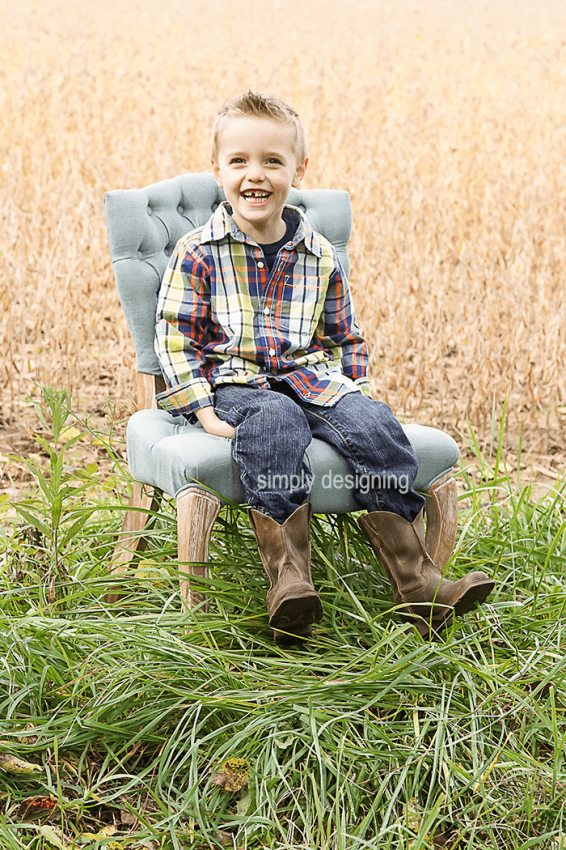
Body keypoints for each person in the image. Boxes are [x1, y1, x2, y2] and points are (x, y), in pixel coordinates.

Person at [154, 91, 494, 644]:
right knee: (275, 424)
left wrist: (351, 392)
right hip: (236, 382)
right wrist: (204, 411)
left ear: (299, 169)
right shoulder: (198, 251)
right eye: (238, 161)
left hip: (310, 377)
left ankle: (418, 584)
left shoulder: (319, 255)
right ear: (218, 171)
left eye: (271, 161)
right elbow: (175, 339)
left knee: (374, 427)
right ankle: (289, 582)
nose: (254, 175)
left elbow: (344, 333)